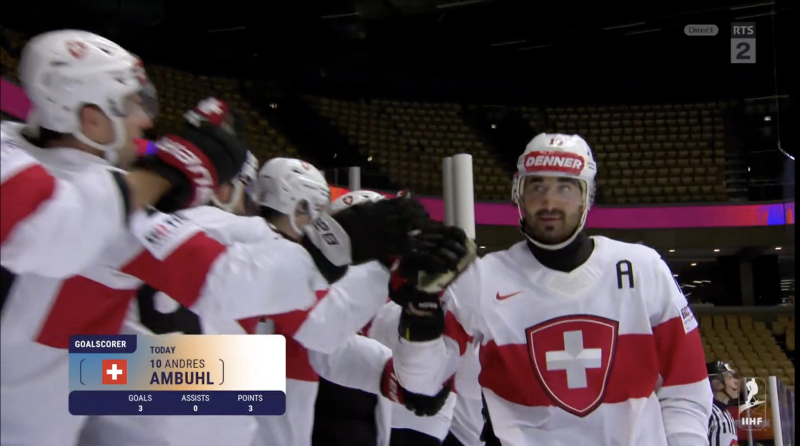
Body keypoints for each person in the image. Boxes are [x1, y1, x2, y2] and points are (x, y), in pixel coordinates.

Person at [0, 31, 253, 446]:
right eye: (131, 104)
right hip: (39, 409)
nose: (146, 121)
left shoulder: (32, 161)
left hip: (71, 381)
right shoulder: (82, 205)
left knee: (234, 375)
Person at [389, 133, 713, 446]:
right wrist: (421, 315)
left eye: (566, 187)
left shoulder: (643, 268)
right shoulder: (482, 278)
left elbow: (687, 388)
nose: (549, 202)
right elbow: (421, 385)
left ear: (587, 195)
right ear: (519, 193)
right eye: (538, 186)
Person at [706, 361, 740, 446]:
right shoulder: (708, 412)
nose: (736, 381)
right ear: (717, 384)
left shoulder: (727, 414)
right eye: (730, 378)